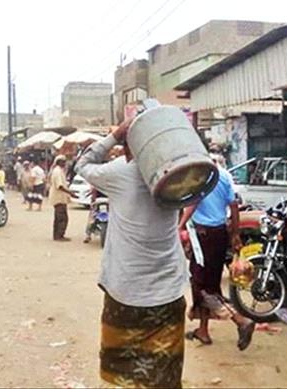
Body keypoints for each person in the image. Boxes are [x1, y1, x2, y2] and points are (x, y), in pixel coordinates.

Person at [76, 118, 187, 389]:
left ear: (129, 147)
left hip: (125, 294)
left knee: (123, 372)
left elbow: (82, 164)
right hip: (168, 294)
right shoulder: (178, 173)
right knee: (165, 371)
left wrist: (114, 135)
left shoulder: (121, 172)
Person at [178, 154, 256, 350]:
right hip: (220, 233)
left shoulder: (200, 177)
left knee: (201, 286)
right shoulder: (224, 175)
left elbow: (193, 202)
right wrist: (235, 234)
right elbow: (234, 205)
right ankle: (203, 331)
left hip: (204, 236)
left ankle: (240, 320)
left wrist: (179, 225)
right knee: (209, 284)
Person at [49, 155, 77, 241]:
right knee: (62, 218)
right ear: (59, 162)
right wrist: (70, 193)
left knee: (58, 218)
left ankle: (56, 235)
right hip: (59, 198)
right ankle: (59, 236)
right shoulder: (57, 172)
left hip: (60, 198)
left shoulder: (59, 171)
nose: (65, 163)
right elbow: (60, 186)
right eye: (63, 162)